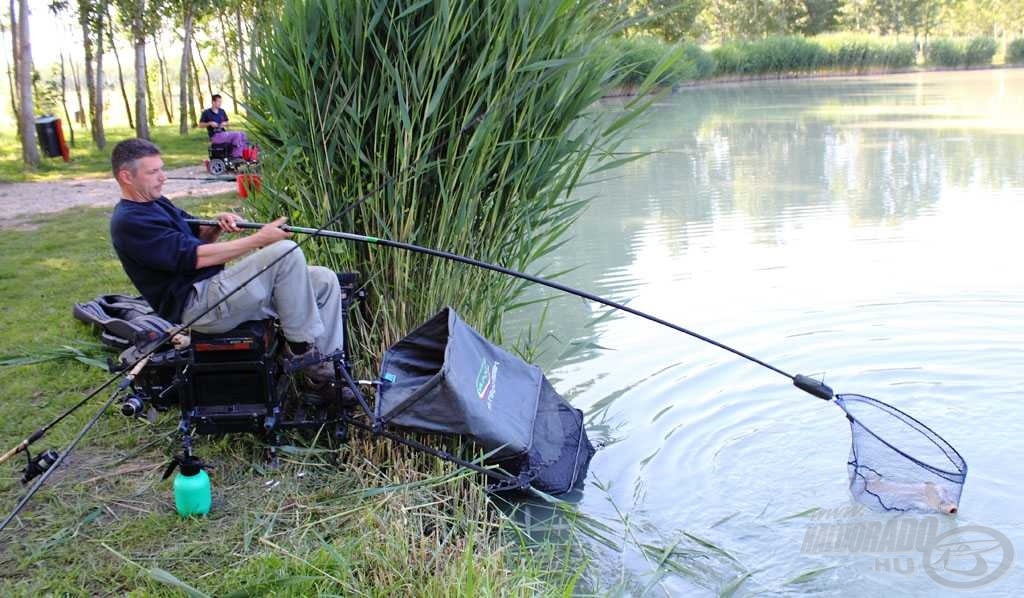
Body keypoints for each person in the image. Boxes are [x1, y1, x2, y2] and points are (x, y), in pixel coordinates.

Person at [108, 138, 342, 384]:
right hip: (201, 306)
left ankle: (327, 375)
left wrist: (215, 225)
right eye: (153, 172)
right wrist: (259, 239)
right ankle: (302, 352)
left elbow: (196, 239)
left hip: (218, 291)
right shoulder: (129, 222)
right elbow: (193, 257)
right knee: (285, 251)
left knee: (324, 280)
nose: (163, 177)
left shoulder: (156, 203)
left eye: (162, 169)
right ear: (126, 176)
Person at [199, 94, 249, 159]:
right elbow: (200, 125)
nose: (220, 103)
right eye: (218, 102)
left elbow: (227, 122)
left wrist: (224, 123)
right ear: (213, 102)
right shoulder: (206, 112)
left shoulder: (222, 111)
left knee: (243, 134)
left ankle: (245, 154)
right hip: (215, 136)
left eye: (221, 102)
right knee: (237, 135)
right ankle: (236, 156)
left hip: (223, 134)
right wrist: (209, 123)